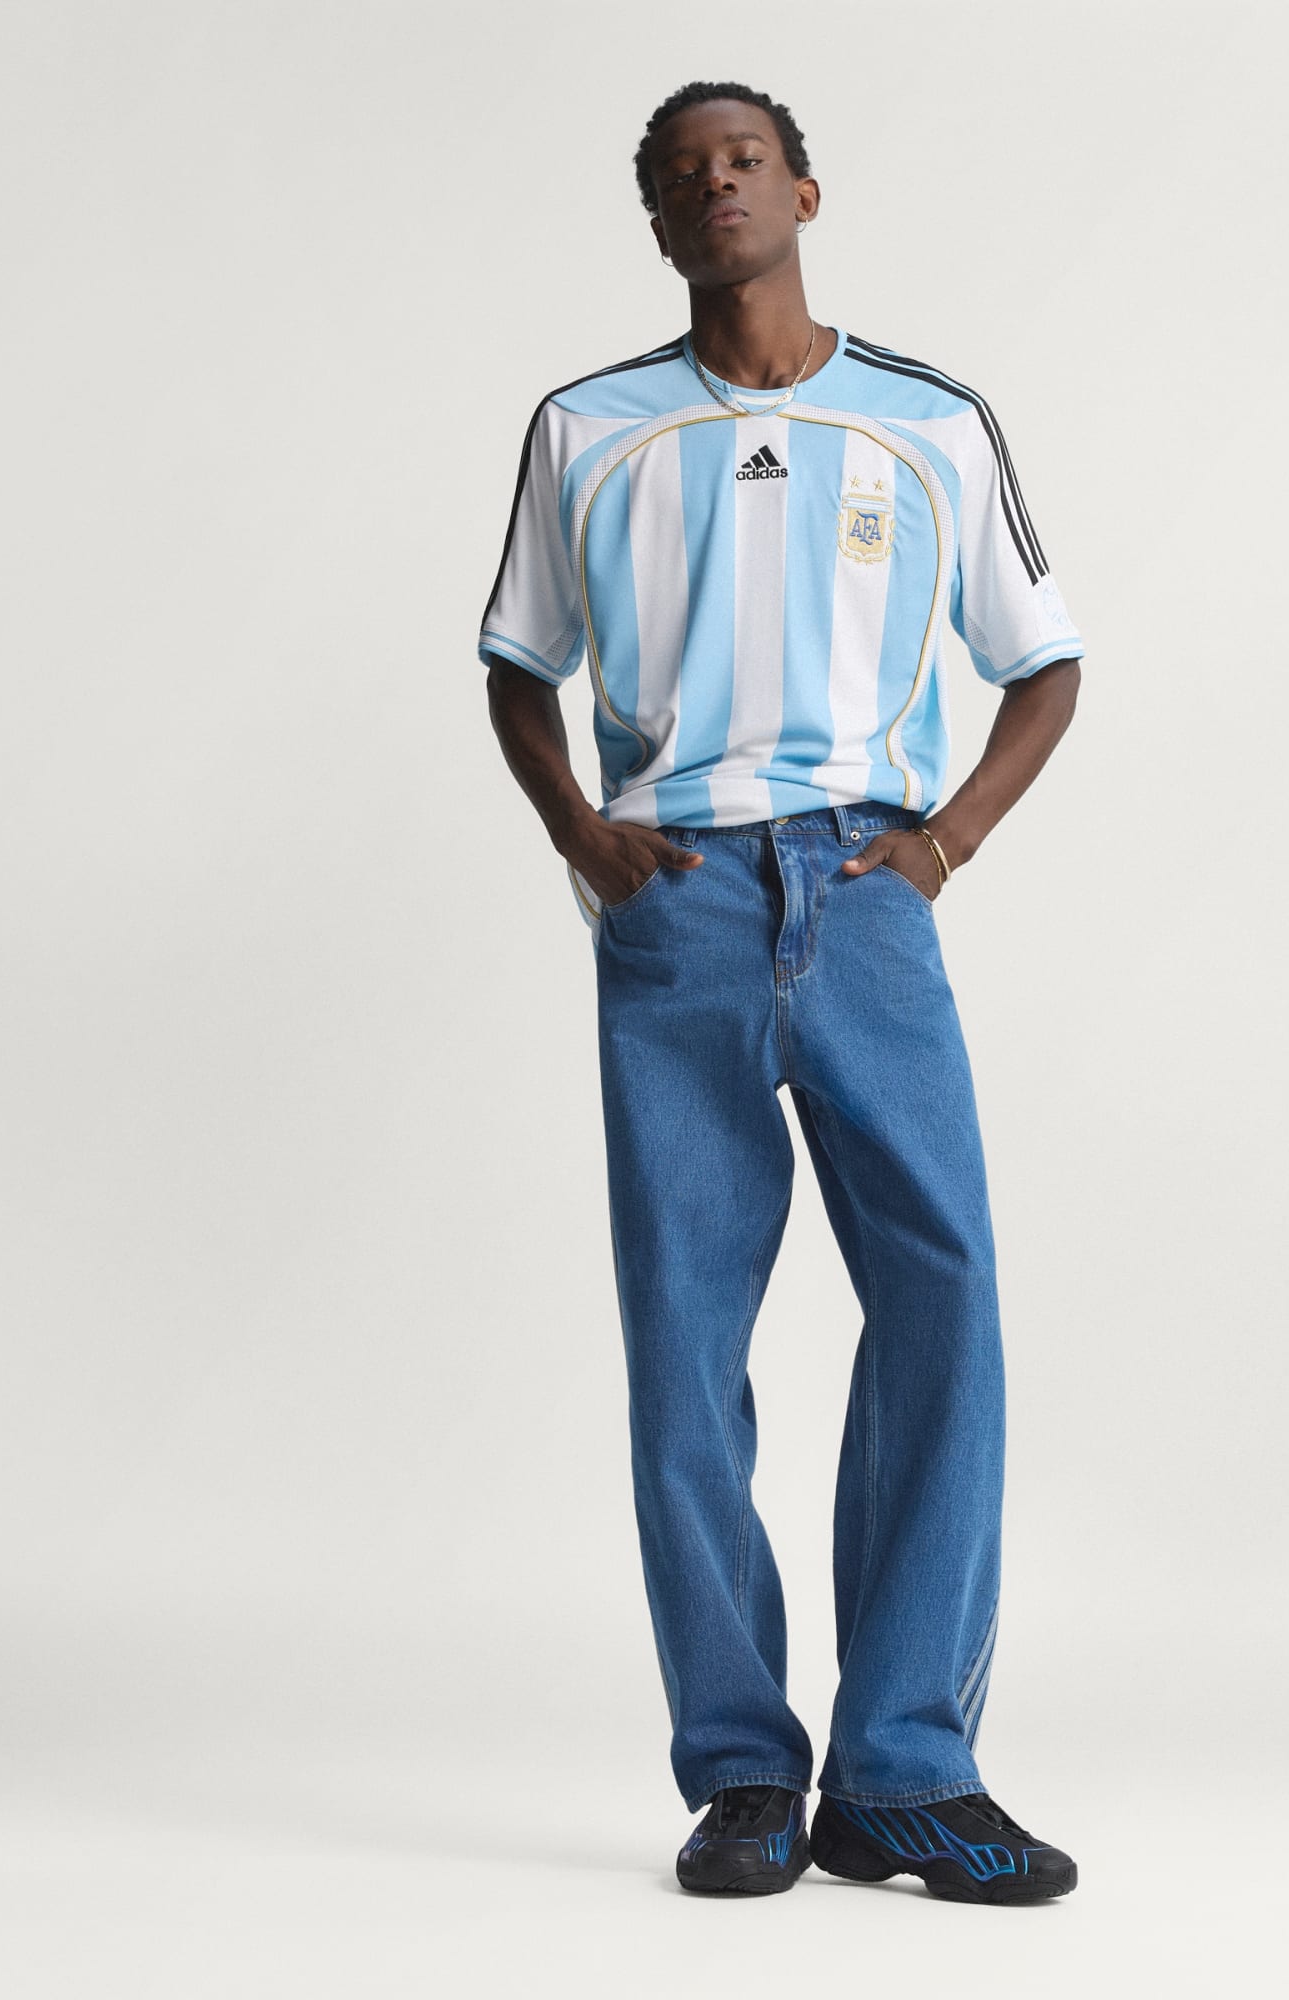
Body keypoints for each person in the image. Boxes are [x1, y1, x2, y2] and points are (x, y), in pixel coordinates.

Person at [478, 79, 1085, 1905]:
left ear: (805, 190)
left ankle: (904, 1771)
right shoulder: (588, 429)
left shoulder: (928, 419)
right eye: (683, 175)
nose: (717, 186)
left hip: (867, 886)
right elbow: (514, 661)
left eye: (744, 159)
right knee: (686, 1337)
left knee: (943, 1299)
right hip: (674, 903)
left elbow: (1045, 662)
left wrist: (944, 844)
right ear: (658, 222)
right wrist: (587, 836)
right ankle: (743, 1770)